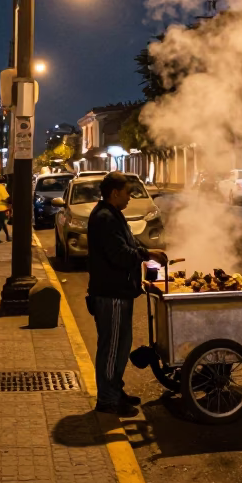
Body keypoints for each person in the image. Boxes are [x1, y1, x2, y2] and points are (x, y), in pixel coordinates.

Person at [87, 171, 167, 417]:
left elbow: (130, 243)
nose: (130, 198)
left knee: (121, 347)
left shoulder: (113, 215)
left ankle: (115, 391)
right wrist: (147, 255)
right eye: (127, 193)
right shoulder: (104, 218)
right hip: (110, 295)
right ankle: (107, 400)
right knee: (111, 349)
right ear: (115, 193)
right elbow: (120, 254)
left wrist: (147, 251)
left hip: (120, 293)